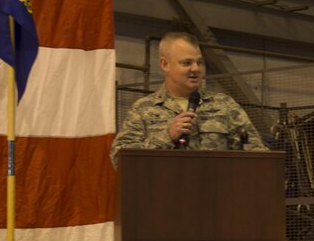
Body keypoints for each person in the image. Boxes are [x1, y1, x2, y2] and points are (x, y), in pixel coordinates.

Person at [111, 32, 268, 166]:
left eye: (199, 62)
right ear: (165, 64)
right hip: (162, 196)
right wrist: (167, 136)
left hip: (218, 195)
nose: (196, 69)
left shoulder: (224, 105)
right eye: (187, 63)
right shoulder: (143, 109)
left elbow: (256, 152)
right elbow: (119, 159)